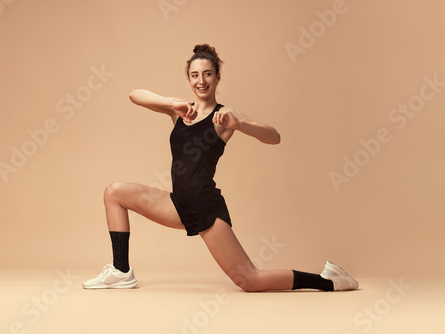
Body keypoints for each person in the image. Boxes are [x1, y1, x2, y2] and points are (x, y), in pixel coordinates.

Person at [82, 44, 358, 292]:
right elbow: (134, 95)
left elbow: (274, 137)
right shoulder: (179, 109)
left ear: (217, 77)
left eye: (207, 74)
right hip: (177, 203)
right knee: (114, 192)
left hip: (205, 208)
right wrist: (172, 103)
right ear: (188, 79)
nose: (200, 81)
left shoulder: (225, 117)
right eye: (194, 75)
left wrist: (239, 124)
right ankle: (121, 271)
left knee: (250, 280)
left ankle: (330, 280)